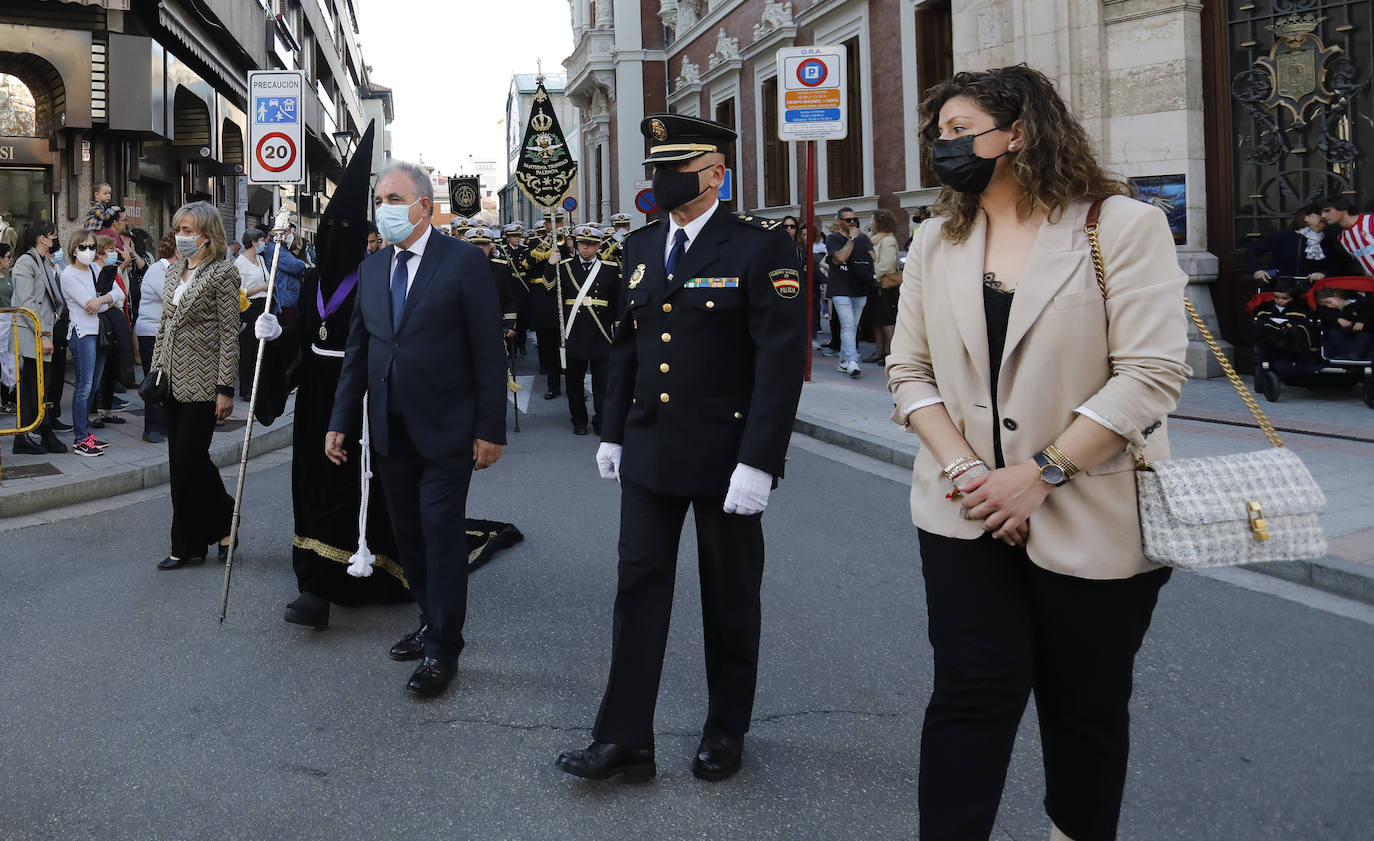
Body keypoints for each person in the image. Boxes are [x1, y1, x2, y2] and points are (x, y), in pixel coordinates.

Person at [886, 65, 1189, 841]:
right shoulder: (934, 238)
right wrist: (973, 476)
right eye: (938, 134)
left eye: (961, 131)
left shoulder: (1120, 225)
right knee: (968, 696)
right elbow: (908, 371)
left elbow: (1150, 376)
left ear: (1018, 132)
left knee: (1083, 706)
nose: (944, 147)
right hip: (964, 512)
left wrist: (1041, 472)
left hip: (1090, 507)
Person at [556, 113, 806, 784]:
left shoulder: (759, 248)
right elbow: (628, 347)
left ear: (715, 173)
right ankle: (624, 738)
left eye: (675, 170)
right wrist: (612, 431)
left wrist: (760, 461)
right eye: (657, 170)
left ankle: (726, 727)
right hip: (649, 450)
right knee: (637, 588)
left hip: (727, 455)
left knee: (729, 596)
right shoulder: (639, 248)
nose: (662, 181)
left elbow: (779, 364)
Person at [327, 161, 507, 698]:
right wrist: (340, 421)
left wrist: (490, 428)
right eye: (379, 199)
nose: (384, 209)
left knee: (441, 533)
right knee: (410, 537)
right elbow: (358, 352)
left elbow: (486, 352)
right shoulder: (373, 270)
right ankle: (431, 619)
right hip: (390, 428)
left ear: (424, 207)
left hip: (449, 429)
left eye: (393, 198)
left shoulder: (462, 263)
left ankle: (443, 649)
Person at [148, 201, 241, 570]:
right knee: (179, 464)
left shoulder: (223, 274)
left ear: (207, 235)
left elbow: (229, 334)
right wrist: (155, 372)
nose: (180, 237)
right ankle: (191, 543)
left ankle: (224, 518)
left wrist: (226, 388)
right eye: (178, 230)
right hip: (171, 381)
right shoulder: (173, 273)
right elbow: (164, 327)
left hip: (204, 382)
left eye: (188, 231)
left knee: (190, 459)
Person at [545, 225, 621, 435]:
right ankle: (579, 420)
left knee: (602, 384)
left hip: (601, 333)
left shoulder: (610, 269)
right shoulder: (565, 266)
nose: (586, 248)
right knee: (573, 383)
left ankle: (602, 421)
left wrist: (618, 330)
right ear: (577, 245)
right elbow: (548, 288)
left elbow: (617, 303)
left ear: (598, 246)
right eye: (582, 244)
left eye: (591, 245)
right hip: (574, 332)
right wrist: (551, 265)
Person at [59, 229, 121, 456]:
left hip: (101, 334)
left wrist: (102, 300)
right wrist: (105, 301)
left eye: (92, 247)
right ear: (73, 249)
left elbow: (117, 294)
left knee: (93, 387)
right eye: (83, 247)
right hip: (82, 333)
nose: (88, 251)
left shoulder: (96, 268)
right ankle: (80, 438)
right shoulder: (68, 275)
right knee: (84, 388)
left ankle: (85, 434)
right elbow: (88, 306)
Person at [9, 221, 67, 454]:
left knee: (38, 388)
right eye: (53, 235)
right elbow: (26, 303)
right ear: (42, 238)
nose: (55, 240)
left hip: (42, 333)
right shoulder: (26, 262)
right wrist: (42, 335)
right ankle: (34, 435)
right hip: (32, 336)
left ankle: (33, 435)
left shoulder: (42, 261)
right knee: (34, 388)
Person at [1246, 204, 1357, 283]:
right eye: (1319, 213)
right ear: (1306, 217)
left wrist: (1324, 274)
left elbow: (1338, 265)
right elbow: (1252, 249)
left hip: (1315, 290)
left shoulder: (1330, 240)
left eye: (1326, 213)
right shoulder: (1285, 235)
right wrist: (1257, 269)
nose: (1323, 216)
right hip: (1283, 289)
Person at [135, 233, 176, 444]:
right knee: (154, 379)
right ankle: (152, 427)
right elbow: (172, 299)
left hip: (168, 333)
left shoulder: (177, 270)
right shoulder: (157, 270)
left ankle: (167, 425)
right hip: (151, 332)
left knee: (168, 380)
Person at [825, 207, 875, 376]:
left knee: (853, 326)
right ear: (839, 221)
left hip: (860, 287)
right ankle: (853, 360)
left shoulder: (864, 238)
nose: (852, 222)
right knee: (847, 325)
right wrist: (852, 240)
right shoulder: (832, 239)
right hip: (840, 288)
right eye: (848, 220)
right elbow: (839, 258)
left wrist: (861, 242)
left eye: (855, 219)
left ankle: (843, 361)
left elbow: (873, 258)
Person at [235, 227, 270, 400]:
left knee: (260, 348)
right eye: (262, 241)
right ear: (254, 242)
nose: (265, 243)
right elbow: (239, 291)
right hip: (249, 306)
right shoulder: (240, 263)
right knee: (248, 349)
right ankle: (246, 388)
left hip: (264, 304)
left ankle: (258, 385)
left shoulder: (261, 260)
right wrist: (261, 288)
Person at [865, 208, 901, 364]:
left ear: (880, 222)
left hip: (883, 287)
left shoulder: (888, 241)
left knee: (887, 321)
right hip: (874, 286)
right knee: (876, 321)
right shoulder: (873, 239)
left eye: (873, 220)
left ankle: (890, 353)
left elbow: (887, 265)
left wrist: (872, 274)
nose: (870, 223)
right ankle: (879, 352)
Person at [262, 223, 307, 323]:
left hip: (287, 297)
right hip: (283, 299)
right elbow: (296, 266)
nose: (290, 234)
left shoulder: (282, 247)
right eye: (287, 231)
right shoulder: (276, 248)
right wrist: (303, 264)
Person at [1313, 287, 1373, 360]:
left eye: (1328, 302)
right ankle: (1345, 356)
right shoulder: (1331, 311)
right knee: (1333, 333)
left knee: (1365, 336)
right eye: (1325, 305)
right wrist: (1337, 319)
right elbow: (1323, 314)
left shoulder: (1361, 303)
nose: (1328, 305)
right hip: (1341, 337)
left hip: (1362, 334)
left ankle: (1355, 356)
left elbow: (1369, 312)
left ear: (1336, 295)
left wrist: (1362, 321)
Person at [1321, 196, 1374, 277]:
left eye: (1327, 211)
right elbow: (1362, 264)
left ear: (1343, 209)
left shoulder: (1371, 220)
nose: (1323, 216)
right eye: (1321, 212)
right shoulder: (1342, 239)